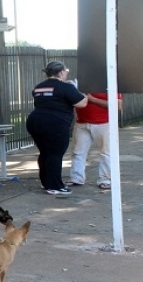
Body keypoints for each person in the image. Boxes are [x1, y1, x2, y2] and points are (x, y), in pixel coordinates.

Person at [26, 61, 87, 195]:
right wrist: (77, 90)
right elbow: (82, 103)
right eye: (66, 71)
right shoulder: (66, 87)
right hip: (55, 123)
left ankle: (46, 181)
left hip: (35, 121)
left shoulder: (38, 87)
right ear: (60, 72)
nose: (66, 73)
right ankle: (55, 186)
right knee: (55, 153)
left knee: (45, 152)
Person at [67, 92, 123, 190]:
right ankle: (76, 177)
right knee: (77, 151)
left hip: (103, 123)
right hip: (82, 122)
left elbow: (117, 105)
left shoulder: (108, 83)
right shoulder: (82, 84)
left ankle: (106, 179)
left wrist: (92, 99)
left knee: (106, 152)